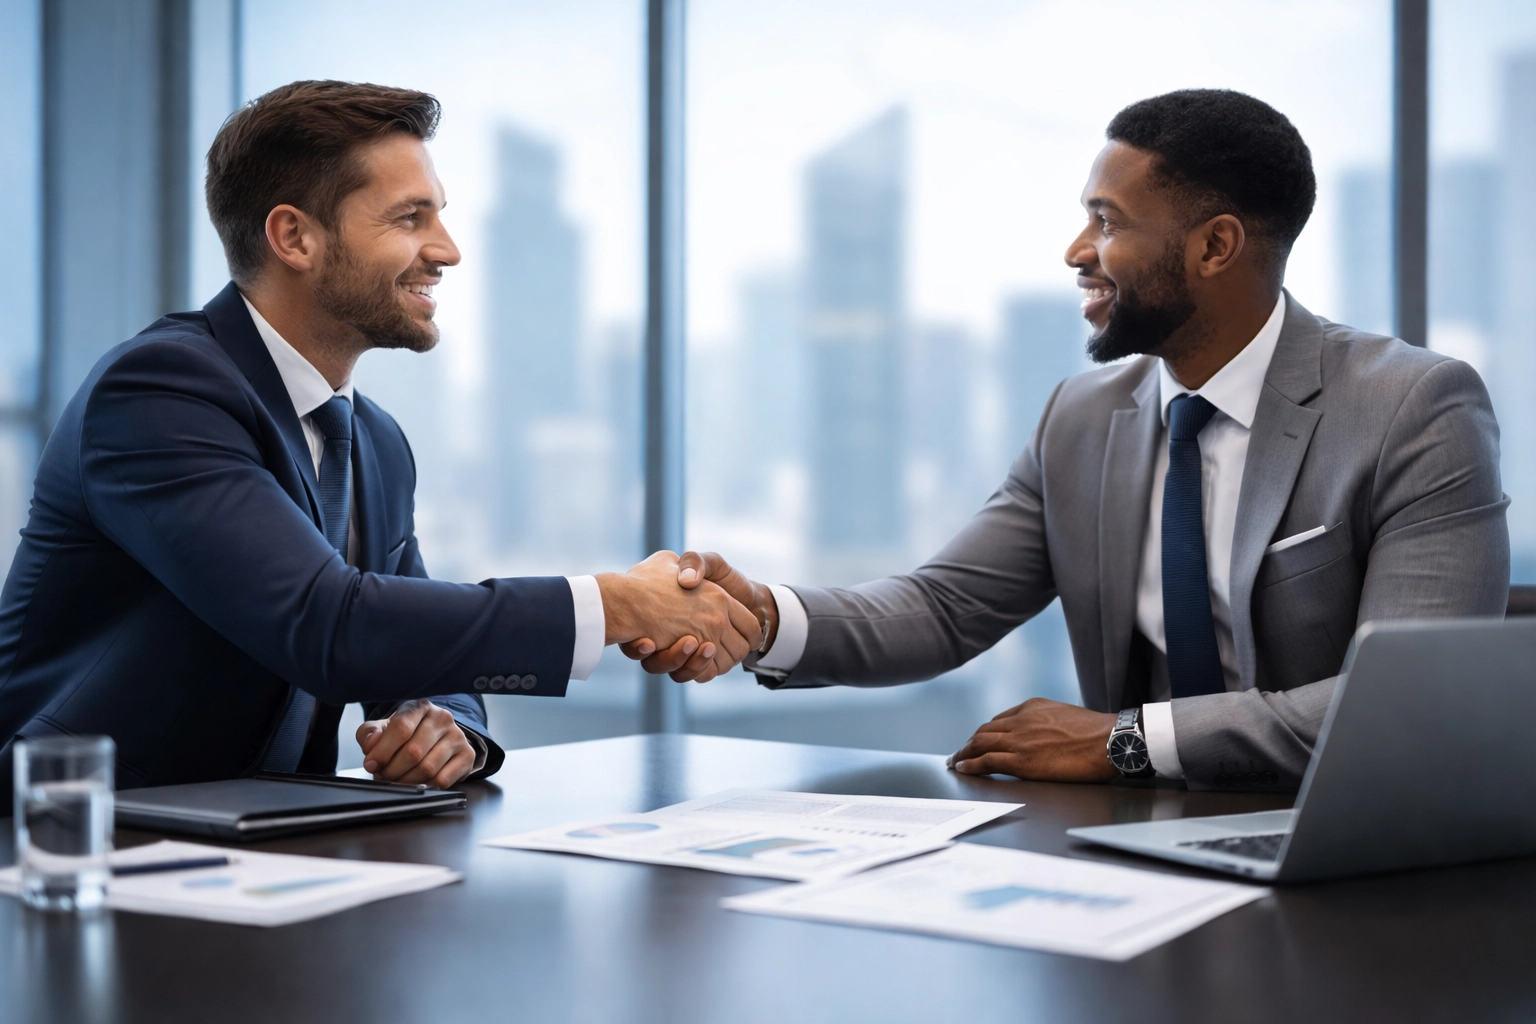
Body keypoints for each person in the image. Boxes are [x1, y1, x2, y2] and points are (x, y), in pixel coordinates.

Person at [628, 89, 1509, 791]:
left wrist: (1125, 740)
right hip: (1137, 843)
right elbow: (943, 609)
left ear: (1216, 246)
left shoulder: (1412, 407)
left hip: (1343, 849)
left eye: (1109, 221)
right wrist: (761, 622)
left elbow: (1401, 704)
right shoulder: (1083, 418)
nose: (1076, 250)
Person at [0, 80, 760, 793]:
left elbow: (413, 642)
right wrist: (614, 605)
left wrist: (446, 726)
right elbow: (326, 621)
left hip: (262, 856)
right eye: (410, 218)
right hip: (82, 844)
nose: (448, 249)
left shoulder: (376, 443)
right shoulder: (161, 392)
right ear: (294, 237)